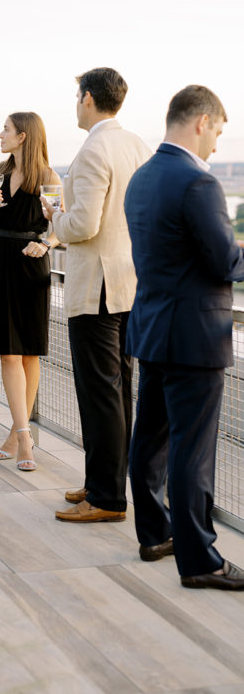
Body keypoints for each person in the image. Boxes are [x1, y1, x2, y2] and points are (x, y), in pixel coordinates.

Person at [125, 85, 244, 589]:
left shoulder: (143, 177)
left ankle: (154, 534)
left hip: (152, 326)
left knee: (149, 439)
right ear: (202, 121)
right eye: (218, 130)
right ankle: (200, 561)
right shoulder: (199, 183)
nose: (217, 144)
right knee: (192, 452)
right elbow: (225, 262)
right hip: (193, 336)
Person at [41, 67, 150, 522]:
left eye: (75, 96)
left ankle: (105, 498)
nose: (74, 104)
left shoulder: (92, 150)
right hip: (130, 283)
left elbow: (83, 226)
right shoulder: (136, 145)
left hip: (97, 289)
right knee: (120, 390)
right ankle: (104, 481)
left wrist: (54, 218)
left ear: (87, 98)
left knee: (99, 393)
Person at [0, 113, 61, 472]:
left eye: (6, 130)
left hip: (31, 264)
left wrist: (46, 244)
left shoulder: (49, 178)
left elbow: (61, 223)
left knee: (29, 354)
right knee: (8, 354)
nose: (0, 135)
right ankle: (25, 436)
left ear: (23, 136)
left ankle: (16, 432)